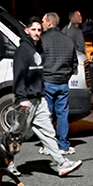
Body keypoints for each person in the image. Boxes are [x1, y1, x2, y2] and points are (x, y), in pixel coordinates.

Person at [12, 16, 83, 177]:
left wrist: (42, 91)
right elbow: (19, 76)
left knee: (48, 132)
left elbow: (39, 73)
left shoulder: (39, 48)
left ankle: (62, 163)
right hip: (27, 100)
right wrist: (21, 98)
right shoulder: (23, 50)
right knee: (16, 133)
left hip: (39, 97)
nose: (37, 33)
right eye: (34, 30)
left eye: (39, 30)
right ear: (27, 30)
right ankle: (6, 161)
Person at [41, 12, 79, 155]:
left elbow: (38, 61)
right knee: (63, 115)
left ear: (49, 23)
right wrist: (66, 75)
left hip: (48, 81)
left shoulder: (43, 40)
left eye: (44, 21)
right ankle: (63, 145)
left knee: (47, 115)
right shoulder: (68, 40)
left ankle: (48, 145)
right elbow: (74, 62)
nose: (42, 24)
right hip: (63, 82)